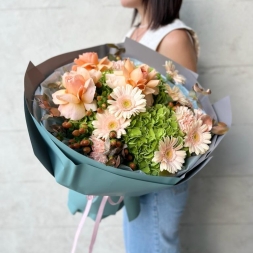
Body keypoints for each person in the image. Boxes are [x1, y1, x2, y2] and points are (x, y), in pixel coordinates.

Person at [120, 0, 199, 252]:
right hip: (134, 171)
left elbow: (189, 116)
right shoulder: (135, 32)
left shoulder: (174, 37)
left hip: (160, 175)